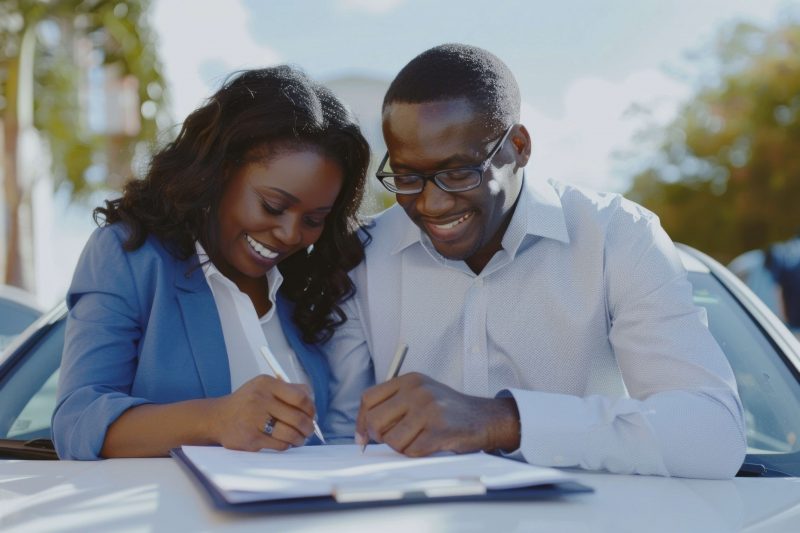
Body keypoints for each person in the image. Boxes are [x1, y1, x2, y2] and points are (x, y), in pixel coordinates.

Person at [323, 44, 746, 479]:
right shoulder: (363, 254)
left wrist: (502, 421)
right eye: (408, 178)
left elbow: (712, 435)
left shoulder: (618, 236)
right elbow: (340, 439)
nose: (431, 204)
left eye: (458, 173)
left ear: (519, 147)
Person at [53, 66, 370, 460]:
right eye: (273, 206)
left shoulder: (306, 283)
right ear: (221, 170)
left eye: (314, 219)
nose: (290, 235)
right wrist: (216, 420)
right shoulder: (131, 257)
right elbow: (76, 421)